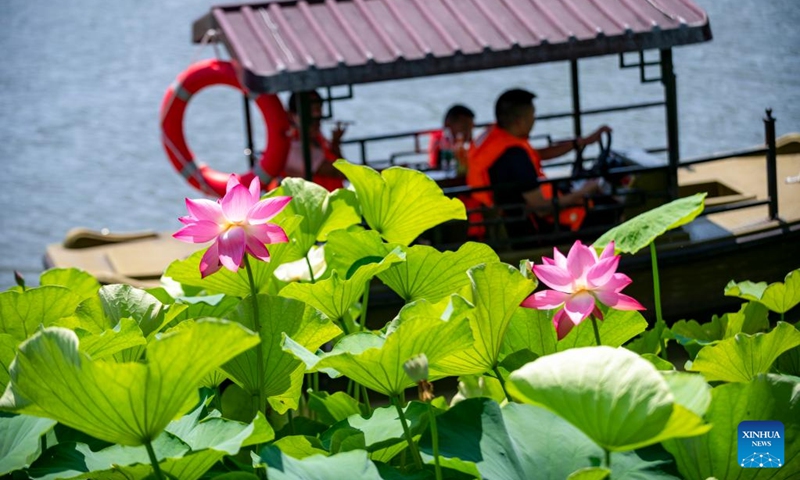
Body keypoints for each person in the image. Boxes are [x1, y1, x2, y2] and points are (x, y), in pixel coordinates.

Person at [467, 88, 611, 238]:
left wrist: (582, 142)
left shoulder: (500, 142)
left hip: (515, 219)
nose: (534, 120)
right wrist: (584, 191)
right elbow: (542, 208)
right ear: (520, 122)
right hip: (536, 229)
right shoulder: (515, 158)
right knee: (608, 211)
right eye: (533, 115)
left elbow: (536, 155)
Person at [283, 90, 345, 191]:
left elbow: (338, 165)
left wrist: (335, 143)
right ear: (292, 115)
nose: (316, 114)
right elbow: (338, 172)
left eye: (318, 119)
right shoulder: (292, 147)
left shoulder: (317, 138)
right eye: (309, 111)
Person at [428, 104, 475, 172]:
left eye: (471, 128)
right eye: (464, 127)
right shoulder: (440, 142)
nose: (468, 132)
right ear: (448, 124)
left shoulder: (467, 145)